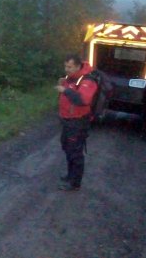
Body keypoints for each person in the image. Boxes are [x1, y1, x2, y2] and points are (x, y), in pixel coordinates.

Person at [54, 54, 98, 191]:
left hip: (78, 123)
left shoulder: (88, 80)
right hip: (67, 121)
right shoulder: (71, 77)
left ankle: (75, 183)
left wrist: (65, 90)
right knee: (67, 148)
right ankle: (70, 175)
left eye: (70, 67)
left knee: (75, 152)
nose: (66, 69)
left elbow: (83, 100)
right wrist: (63, 85)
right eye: (65, 66)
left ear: (78, 66)